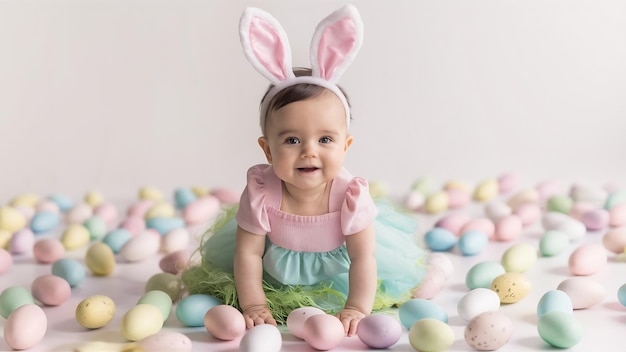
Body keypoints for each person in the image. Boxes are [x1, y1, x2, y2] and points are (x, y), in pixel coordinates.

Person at [182, 5, 428, 337]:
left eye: (325, 139)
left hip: (339, 278)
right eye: (292, 139)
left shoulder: (349, 196)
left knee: (371, 281)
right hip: (273, 275)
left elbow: (363, 259)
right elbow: (249, 254)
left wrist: (356, 306)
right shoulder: (261, 192)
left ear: (345, 147)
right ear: (267, 150)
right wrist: (254, 304)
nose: (309, 151)